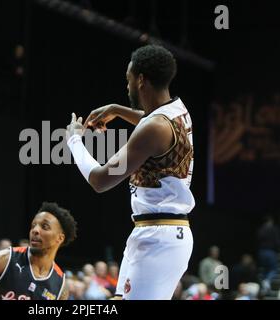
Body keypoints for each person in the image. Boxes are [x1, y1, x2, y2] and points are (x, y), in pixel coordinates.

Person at [66, 44, 194, 300]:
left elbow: (100, 181)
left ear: (141, 80)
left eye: (128, 80)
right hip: (159, 232)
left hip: (158, 238)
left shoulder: (153, 128)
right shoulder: (177, 110)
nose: (127, 86)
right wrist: (116, 109)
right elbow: (150, 119)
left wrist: (73, 141)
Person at [0, 202, 77, 300]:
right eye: (33, 225)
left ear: (60, 238)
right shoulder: (6, 259)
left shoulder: (60, 285)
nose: (35, 230)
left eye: (44, 226)